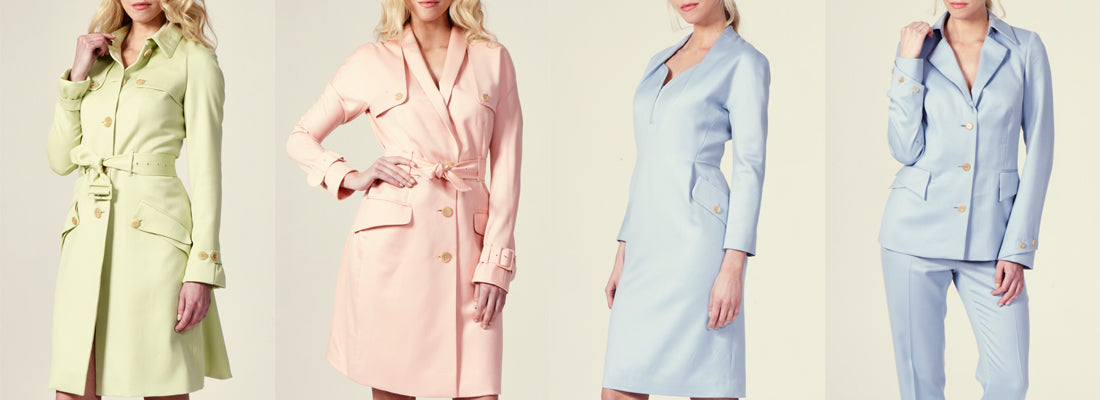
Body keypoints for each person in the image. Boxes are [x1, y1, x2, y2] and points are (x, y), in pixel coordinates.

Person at [285, 0, 522, 398]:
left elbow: (508, 169)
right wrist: (350, 176)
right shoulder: (371, 60)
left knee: (480, 387)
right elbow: (300, 138)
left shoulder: (493, 59)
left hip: (471, 256)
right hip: (394, 259)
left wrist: (496, 265)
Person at [46, 0, 231, 398]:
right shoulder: (97, 57)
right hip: (86, 241)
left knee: (162, 385)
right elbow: (60, 160)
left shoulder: (194, 60)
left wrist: (202, 270)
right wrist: (76, 77)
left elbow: (206, 174)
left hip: (155, 250)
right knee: (73, 385)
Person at [879, 1, 1052, 399]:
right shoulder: (919, 46)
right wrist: (907, 63)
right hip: (912, 236)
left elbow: (1041, 150)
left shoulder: (1025, 48)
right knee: (920, 387)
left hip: (993, 239)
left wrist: (1018, 248)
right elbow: (904, 148)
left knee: (1010, 380)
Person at [602, 1, 769, 399]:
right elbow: (648, 160)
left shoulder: (745, 62)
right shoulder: (658, 61)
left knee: (708, 384)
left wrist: (733, 267)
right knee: (620, 385)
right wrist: (624, 247)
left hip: (698, 249)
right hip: (645, 246)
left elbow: (750, 168)